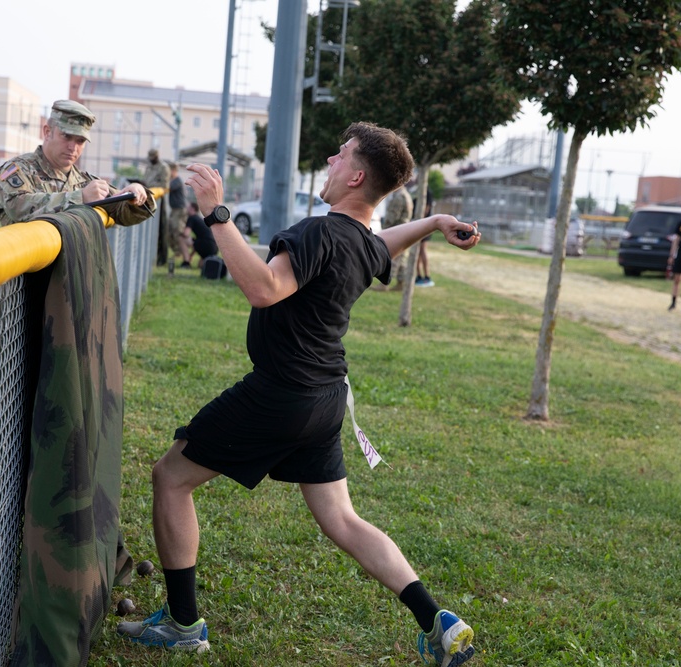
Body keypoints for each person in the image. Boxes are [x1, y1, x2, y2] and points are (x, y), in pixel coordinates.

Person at [118, 122, 480, 667]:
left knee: (171, 477)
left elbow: (265, 289)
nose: (330, 157)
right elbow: (385, 243)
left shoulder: (318, 232)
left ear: (356, 175)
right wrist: (432, 221)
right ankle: (437, 620)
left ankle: (182, 624)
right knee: (342, 519)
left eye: (340, 154)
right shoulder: (359, 239)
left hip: (281, 394)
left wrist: (217, 213)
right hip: (326, 398)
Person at [0, 99, 153, 226]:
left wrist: (135, 195)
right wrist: (80, 197)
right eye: (66, 136)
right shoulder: (18, 171)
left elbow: (123, 213)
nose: (72, 147)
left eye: (80, 141)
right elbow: (18, 207)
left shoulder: (84, 182)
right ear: (47, 132)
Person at [376, 184, 413, 291]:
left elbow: (392, 216)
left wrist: (385, 228)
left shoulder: (399, 197)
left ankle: (384, 284)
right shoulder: (406, 195)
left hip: (397, 230)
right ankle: (401, 283)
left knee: (392, 258)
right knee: (401, 259)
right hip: (404, 230)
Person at [168, 163, 192, 267]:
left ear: (173, 170)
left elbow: (167, 187)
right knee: (173, 231)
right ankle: (180, 252)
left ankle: (188, 251)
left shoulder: (177, 181)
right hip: (176, 209)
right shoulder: (175, 181)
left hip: (180, 209)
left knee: (178, 232)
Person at [183, 201, 218, 267]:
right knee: (200, 266)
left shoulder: (192, 218)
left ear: (192, 209)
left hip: (205, 245)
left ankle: (186, 262)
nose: (186, 209)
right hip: (213, 248)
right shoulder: (199, 218)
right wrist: (191, 255)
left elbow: (186, 234)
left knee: (181, 238)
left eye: (188, 207)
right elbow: (196, 243)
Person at [414, 186, 436, 287]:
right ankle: (419, 276)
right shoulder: (417, 194)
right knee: (417, 252)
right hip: (418, 225)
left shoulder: (427, 193)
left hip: (425, 225)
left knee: (422, 250)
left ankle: (427, 276)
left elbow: (427, 209)